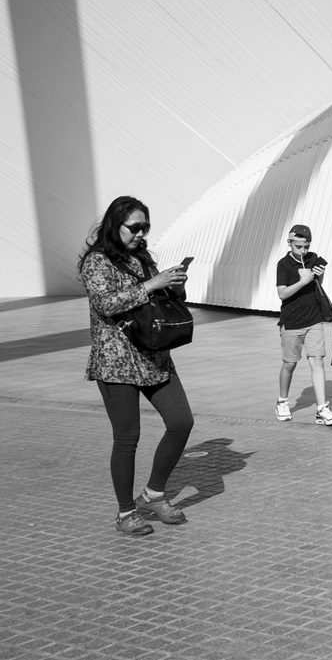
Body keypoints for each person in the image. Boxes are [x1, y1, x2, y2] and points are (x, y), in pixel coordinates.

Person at [81, 195, 195, 536]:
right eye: (134, 227)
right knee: (128, 437)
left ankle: (153, 495)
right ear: (115, 224)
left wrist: (174, 286)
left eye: (145, 227)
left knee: (181, 422)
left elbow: (156, 298)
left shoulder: (142, 257)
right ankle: (126, 512)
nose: (141, 233)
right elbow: (105, 303)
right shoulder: (97, 261)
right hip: (116, 361)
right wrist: (150, 285)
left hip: (153, 355)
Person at [274, 224, 332, 425]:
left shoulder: (312, 258)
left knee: (317, 360)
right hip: (292, 321)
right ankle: (282, 401)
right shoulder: (283, 264)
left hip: (314, 319)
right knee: (289, 364)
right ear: (289, 243)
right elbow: (282, 293)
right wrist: (303, 281)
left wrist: (319, 273)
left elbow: (318, 284)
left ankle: (322, 408)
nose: (303, 251)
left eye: (306, 246)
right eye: (298, 246)